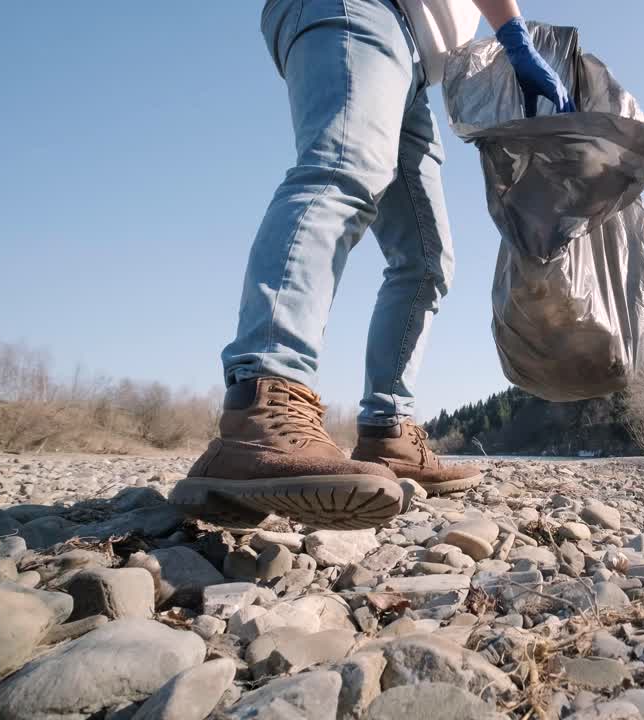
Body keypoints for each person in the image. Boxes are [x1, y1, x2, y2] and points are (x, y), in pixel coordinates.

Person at [169, 0, 574, 529]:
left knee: (428, 261)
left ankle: (389, 432)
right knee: (341, 175)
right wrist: (514, 36)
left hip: (414, 68)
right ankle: (262, 401)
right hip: (360, 12)